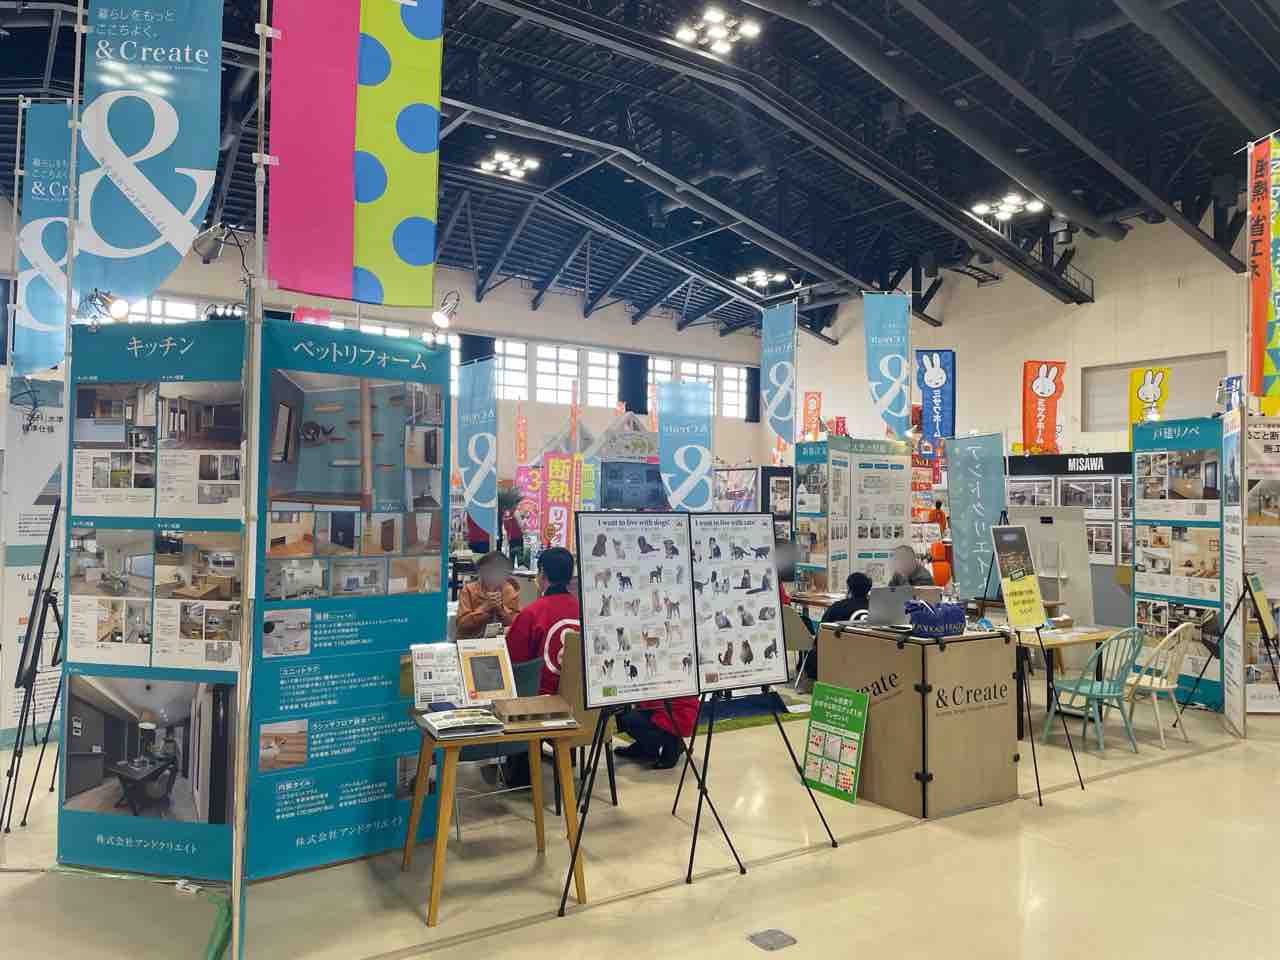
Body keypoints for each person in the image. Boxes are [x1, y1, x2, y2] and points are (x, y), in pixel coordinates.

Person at [505, 546, 580, 695]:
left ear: (542, 573)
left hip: (539, 697)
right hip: (578, 696)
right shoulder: (583, 611)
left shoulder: (532, 613)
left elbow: (513, 664)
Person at [806, 573, 872, 679]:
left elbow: (820, 636)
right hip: (869, 657)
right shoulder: (876, 608)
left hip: (838, 660)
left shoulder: (837, 607)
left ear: (849, 588)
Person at [615, 695, 698, 770]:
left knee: (629, 720)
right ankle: (647, 748)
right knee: (627, 715)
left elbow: (655, 698)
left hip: (676, 715)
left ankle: (673, 745)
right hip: (666, 708)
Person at [454, 551, 521, 639]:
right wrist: (485, 608)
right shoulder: (469, 590)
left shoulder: (509, 590)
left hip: (500, 642)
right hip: (472, 642)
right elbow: (462, 625)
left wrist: (501, 609)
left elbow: (517, 624)